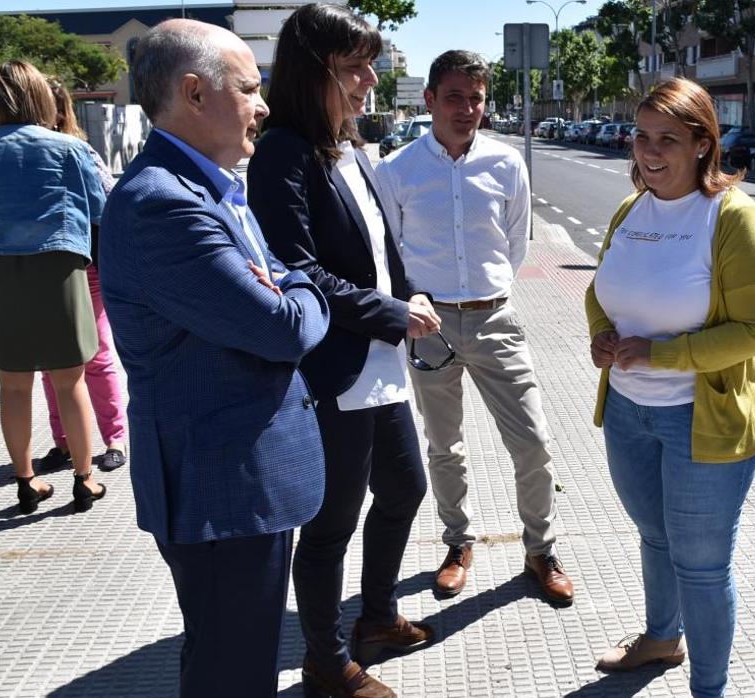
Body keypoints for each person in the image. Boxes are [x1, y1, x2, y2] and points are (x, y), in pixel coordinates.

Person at [98, 19, 330, 696]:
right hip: (220, 485)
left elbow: (279, 280)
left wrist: (287, 283)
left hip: (234, 480)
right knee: (233, 671)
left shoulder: (210, 184)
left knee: (234, 658)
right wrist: (300, 286)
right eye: (250, 88)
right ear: (194, 93)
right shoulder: (164, 206)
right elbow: (285, 325)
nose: (263, 105)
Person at [249, 5, 437, 697]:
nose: (367, 80)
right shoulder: (282, 152)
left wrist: (409, 295)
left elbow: (382, 252)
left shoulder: (349, 147)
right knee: (331, 527)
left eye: (370, 65)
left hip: (378, 362)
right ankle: (326, 663)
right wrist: (391, 312)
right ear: (313, 68)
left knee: (405, 489)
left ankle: (378, 617)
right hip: (335, 367)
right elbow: (295, 271)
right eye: (353, 67)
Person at [584, 77, 755, 698]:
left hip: (704, 419)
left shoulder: (732, 216)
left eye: (668, 138)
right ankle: (661, 639)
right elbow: (601, 291)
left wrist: (665, 354)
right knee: (654, 535)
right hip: (627, 411)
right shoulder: (630, 208)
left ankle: (710, 688)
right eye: (641, 135)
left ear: (703, 144)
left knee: (700, 566)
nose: (649, 150)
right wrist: (602, 335)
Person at [374, 50, 574, 605]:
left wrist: (485, 294)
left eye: (477, 99)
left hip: (494, 320)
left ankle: (541, 550)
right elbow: (391, 251)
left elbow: (515, 243)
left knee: (532, 442)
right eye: (455, 97)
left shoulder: (507, 164)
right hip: (428, 324)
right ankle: (458, 544)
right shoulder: (397, 170)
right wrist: (416, 301)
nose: (467, 109)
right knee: (445, 447)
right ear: (431, 99)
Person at [0, 60, 107, 515]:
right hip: (60, 270)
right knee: (71, 382)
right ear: (42, 98)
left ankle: (26, 481)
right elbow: (101, 208)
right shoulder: (69, 148)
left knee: (12, 386)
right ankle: (84, 481)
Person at [36, 80, 128, 475]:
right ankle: (64, 443)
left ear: (59, 110)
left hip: (83, 265)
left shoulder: (80, 151)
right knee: (47, 360)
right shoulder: (27, 152)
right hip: (40, 269)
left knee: (97, 356)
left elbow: (106, 205)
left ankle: (115, 439)